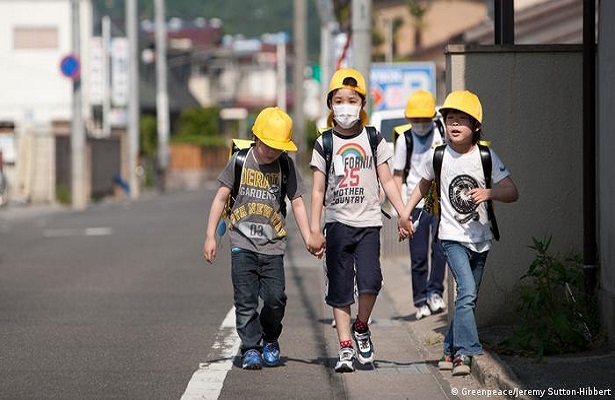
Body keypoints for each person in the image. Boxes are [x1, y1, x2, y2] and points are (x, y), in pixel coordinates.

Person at [399, 90, 519, 376]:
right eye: (450, 118)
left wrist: (489, 192)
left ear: (475, 126)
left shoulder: (486, 155)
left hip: (481, 238)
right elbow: (422, 186)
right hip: (451, 236)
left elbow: (512, 191)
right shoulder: (437, 155)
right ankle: (467, 352)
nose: (454, 124)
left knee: (469, 297)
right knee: (466, 292)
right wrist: (405, 213)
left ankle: (448, 349)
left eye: (461, 120)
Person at [308, 68, 407, 373]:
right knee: (339, 287)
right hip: (337, 223)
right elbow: (318, 189)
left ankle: (361, 326)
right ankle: (345, 345)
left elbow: (388, 180)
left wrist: (403, 212)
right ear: (330, 105)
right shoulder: (324, 142)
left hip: (369, 223)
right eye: (339, 100)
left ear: (362, 103)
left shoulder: (373, 137)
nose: (346, 106)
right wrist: (314, 228)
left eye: (352, 100)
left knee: (371, 281)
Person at [203, 107, 315, 370]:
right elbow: (221, 197)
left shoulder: (286, 165)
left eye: (278, 147)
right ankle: (251, 347)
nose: (272, 152)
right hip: (241, 244)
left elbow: (297, 202)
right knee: (245, 300)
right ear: (256, 137)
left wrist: (309, 234)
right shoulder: (240, 161)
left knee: (276, 299)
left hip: (273, 246)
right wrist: (210, 235)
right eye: (268, 145)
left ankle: (270, 337)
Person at [392, 89, 447, 320]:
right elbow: (397, 175)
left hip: (439, 198)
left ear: (432, 117)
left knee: (441, 247)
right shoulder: (405, 139)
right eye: (415, 119)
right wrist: (401, 210)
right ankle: (420, 300)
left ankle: (435, 291)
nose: (420, 124)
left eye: (424, 119)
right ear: (408, 119)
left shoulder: (441, 132)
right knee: (418, 255)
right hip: (415, 201)